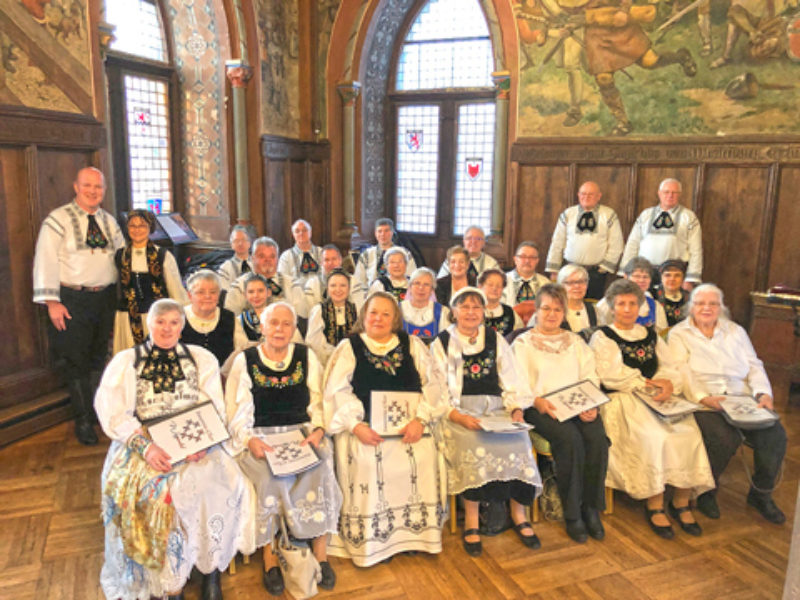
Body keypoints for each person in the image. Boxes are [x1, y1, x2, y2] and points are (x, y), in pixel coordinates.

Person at [95, 299, 254, 600]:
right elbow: (114, 413)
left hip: (194, 438)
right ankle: (170, 579)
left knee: (221, 484)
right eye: (160, 322)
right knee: (155, 495)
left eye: (173, 323)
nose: (166, 328)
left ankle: (211, 571)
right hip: (144, 442)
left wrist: (201, 443)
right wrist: (147, 448)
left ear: (182, 326)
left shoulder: (200, 358)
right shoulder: (127, 361)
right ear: (148, 325)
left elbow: (213, 407)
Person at [225, 302, 342, 595]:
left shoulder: (306, 356)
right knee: (267, 479)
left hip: (301, 432)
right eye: (273, 323)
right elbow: (237, 410)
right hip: (261, 436)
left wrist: (317, 430)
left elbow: (319, 398)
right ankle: (269, 558)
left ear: (294, 329)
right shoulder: (246, 359)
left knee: (322, 468)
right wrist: (249, 439)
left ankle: (320, 552)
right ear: (262, 328)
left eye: (286, 324)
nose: (279, 329)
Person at [323, 292, 445, 566]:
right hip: (367, 430)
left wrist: (421, 420)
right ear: (364, 316)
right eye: (373, 313)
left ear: (395, 319)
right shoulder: (349, 347)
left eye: (385, 314)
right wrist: (355, 425)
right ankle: (375, 541)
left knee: (422, 457)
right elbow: (337, 391)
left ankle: (414, 536)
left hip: (410, 428)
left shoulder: (412, 344)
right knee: (368, 462)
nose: (378, 318)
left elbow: (433, 384)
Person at [589, 279, 714, 539]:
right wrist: (648, 384)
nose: (627, 309)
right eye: (621, 304)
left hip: (656, 396)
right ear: (612, 307)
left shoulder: (650, 334)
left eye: (632, 303)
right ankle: (655, 504)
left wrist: (668, 383)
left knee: (689, 432)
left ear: (640, 306)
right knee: (657, 436)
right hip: (624, 400)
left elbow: (670, 365)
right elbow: (610, 375)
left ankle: (680, 501)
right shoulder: (603, 336)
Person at [431, 287, 541, 556]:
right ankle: (472, 518)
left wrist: (515, 409)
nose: (470, 312)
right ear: (453, 311)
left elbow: (511, 377)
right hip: (459, 413)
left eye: (476, 307)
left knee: (519, 440)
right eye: (464, 307)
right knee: (474, 445)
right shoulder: (441, 342)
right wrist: (458, 416)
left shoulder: (495, 339)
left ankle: (518, 513)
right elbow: (436, 389)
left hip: (496, 410)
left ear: (483, 312)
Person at [668, 284, 787, 524]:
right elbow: (680, 372)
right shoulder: (679, 334)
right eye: (700, 303)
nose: (706, 308)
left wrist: (764, 394)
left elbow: (754, 365)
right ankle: (706, 491)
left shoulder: (736, 331)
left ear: (721, 307)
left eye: (713, 303)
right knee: (724, 438)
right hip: (705, 400)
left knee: (775, 436)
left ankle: (761, 495)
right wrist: (703, 398)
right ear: (691, 307)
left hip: (741, 397)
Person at [32, 166, 125, 445]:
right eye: (87, 186)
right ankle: (83, 421)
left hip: (104, 298)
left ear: (104, 190)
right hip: (72, 300)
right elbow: (45, 259)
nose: (93, 191)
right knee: (77, 361)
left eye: (98, 187)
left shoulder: (109, 222)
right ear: (76, 187)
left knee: (99, 357)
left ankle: (98, 413)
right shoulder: (57, 220)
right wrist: (52, 302)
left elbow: (123, 258)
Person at [512, 284, 609, 543]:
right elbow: (516, 382)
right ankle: (573, 512)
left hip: (577, 403)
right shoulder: (523, 344)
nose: (552, 314)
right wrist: (537, 401)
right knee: (570, 440)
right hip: (540, 406)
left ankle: (591, 507)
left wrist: (591, 404)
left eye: (557, 309)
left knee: (597, 437)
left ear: (564, 312)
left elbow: (590, 375)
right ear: (536, 310)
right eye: (546, 308)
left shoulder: (576, 341)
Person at [112, 210, 188, 354]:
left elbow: (176, 290)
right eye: (132, 226)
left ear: (150, 228)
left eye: (142, 226)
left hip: (156, 318)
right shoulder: (120, 255)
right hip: (127, 318)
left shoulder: (162, 255)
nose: (137, 230)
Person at [545, 181, 624, 300]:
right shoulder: (568, 214)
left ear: (599, 196)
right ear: (578, 195)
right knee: (567, 303)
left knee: (592, 305)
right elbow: (557, 242)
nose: (586, 197)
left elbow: (616, 243)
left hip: (596, 273)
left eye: (591, 194)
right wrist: (554, 269)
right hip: (569, 270)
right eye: (583, 194)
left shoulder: (608, 215)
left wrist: (604, 268)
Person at [619, 178, 703, 288]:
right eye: (666, 192)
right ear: (659, 193)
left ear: (680, 194)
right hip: (644, 273)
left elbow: (696, 249)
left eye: (674, 192)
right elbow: (632, 244)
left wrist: (691, 278)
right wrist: (625, 270)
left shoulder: (688, 217)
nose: (670, 195)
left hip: (673, 275)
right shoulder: (646, 215)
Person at [181, 270, 247, 368]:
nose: (208, 296)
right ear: (190, 295)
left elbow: (242, 350)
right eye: (201, 292)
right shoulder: (179, 317)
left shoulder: (229, 317)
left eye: (213, 292)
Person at [225, 237, 300, 316]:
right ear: (252, 258)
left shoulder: (292, 285)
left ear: (277, 259)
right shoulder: (238, 286)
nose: (267, 260)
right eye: (262, 256)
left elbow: (301, 320)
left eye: (272, 256)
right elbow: (231, 320)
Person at [352, 218, 416, 305]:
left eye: (386, 231)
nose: (383, 234)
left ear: (392, 232)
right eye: (379, 231)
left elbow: (412, 276)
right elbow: (359, 280)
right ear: (375, 233)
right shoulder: (367, 254)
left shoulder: (404, 253)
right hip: (372, 295)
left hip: (400, 295)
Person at [597, 257, 667, 333]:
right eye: (637, 276)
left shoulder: (655, 306)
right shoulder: (609, 302)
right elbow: (599, 329)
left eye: (645, 277)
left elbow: (661, 334)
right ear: (626, 277)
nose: (641, 280)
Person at [305, 269, 359, 366]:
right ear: (327, 288)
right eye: (333, 285)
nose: (338, 289)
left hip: (352, 361)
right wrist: (335, 357)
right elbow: (314, 343)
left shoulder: (356, 310)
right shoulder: (319, 310)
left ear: (349, 288)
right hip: (326, 363)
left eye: (343, 285)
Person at [502, 241, 550, 325]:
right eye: (523, 257)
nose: (527, 261)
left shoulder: (545, 283)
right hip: (508, 325)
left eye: (532, 257)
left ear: (537, 261)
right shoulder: (502, 280)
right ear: (515, 259)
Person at [401, 267, 450, 344]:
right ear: (410, 287)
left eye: (426, 284)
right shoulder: (397, 310)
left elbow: (446, 343)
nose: (421, 288)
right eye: (417, 283)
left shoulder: (443, 312)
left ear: (432, 290)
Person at [277, 219, 323, 288]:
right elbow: (282, 281)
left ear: (310, 232)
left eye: (305, 230)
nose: (301, 233)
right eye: (297, 231)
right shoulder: (286, 256)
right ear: (293, 234)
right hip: (296, 296)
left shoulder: (322, 252)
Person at [479, 269, 523, 337]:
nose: (494, 288)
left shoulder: (510, 312)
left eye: (499, 286)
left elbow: (519, 337)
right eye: (490, 285)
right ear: (480, 287)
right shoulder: (473, 311)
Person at [557, 264, 598, 334]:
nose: (577, 286)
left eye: (581, 282)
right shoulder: (550, 310)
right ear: (560, 286)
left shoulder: (595, 311)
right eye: (570, 282)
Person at [653, 259, 689, 327]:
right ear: (661, 278)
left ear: (683, 278)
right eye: (667, 275)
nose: (672, 279)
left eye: (677, 275)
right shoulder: (653, 296)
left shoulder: (690, 298)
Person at [217, 225, 253, 290]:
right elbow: (225, 292)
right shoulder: (225, 268)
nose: (240, 243)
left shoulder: (258, 263)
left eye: (243, 240)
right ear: (231, 245)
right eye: (236, 241)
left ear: (249, 243)